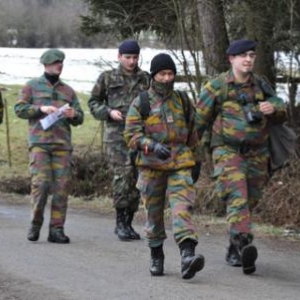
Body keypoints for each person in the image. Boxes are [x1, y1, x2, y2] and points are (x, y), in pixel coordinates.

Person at [195, 39, 287, 274]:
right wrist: (190, 155)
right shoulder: (217, 86)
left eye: (252, 55)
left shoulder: (261, 84)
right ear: (231, 59)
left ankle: (235, 246)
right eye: (243, 55)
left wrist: (273, 108)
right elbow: (197, 122)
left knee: (249, 201)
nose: (248, 59)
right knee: (237, 197)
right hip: (227, 151)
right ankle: (244, 244)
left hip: (257, 154)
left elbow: (280, 106)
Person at [124, 53, 204, 279]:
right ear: (154, 76)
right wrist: (150, 145)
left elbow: (192, 131)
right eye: (162, 74)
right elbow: (130, 135)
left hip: (180, 164)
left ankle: (188, 255)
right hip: (151, 167)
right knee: (154, 214)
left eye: (170, 74)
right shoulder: (142, 102)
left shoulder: (181, 99)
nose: (167, 78)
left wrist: (195, 159)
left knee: (182, 209)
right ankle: (156, 254)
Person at [14, 49, 84, 244]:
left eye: (61, 62)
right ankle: (35, 223)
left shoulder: (68, 91)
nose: (59, 65)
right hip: (40, 145)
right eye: (55, 62)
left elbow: (80, 117)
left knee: (62, 187)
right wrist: (40, 109)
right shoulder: (31, 87)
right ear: (45, 64)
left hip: (62, 145)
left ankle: (57, 229)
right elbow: (19, 109)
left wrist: (74, 115)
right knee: (42, 184)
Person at [88, 40, 150, 241]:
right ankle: (120, 222)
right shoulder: (107, 78)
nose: (131, 61)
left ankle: (129, 221)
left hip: (139, 135)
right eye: (127, 57)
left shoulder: (146, 79)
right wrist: (108, 112)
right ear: (119, 56)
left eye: (134, 57)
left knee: (136, 178)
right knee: (122, 177)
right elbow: (93, 102)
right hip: (116, 137)